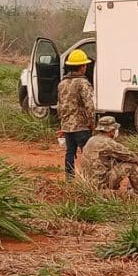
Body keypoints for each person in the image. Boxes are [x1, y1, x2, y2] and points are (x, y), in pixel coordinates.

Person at [77, 116, 138, 195]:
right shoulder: (108, 143)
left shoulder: (92, 139)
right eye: (115, 129)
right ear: (111, 130)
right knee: (132, 165)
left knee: (113, 162)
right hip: (100, 187)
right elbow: (132, 157)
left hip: (87, 185)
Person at [57, 49, 95, 180]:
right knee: (87, 153)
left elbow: (60, 107)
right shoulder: (83, 83)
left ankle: (69, 179)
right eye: (85, 65)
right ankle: (90, 180)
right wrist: (92, 123)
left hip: (67, 126)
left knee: (70, 153)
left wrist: (62, 125)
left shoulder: (62, 84)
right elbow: (89, 105)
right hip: (82, 126)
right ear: (82, 66)